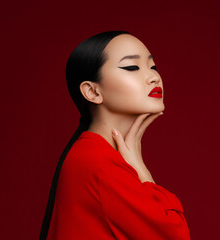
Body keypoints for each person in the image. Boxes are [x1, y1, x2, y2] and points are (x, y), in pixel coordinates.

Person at [39, 31, 191, 240]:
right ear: (92, 92)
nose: (154, 76)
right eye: (131, 67)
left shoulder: (89, 154)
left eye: (152, 66)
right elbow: (174, 235)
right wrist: (142, 172)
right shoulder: (100, 165)